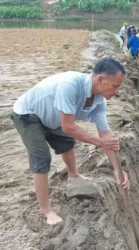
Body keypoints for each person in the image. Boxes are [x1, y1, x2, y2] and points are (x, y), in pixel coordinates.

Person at [11, 58, 130, 225]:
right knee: (42, 159)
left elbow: (106, 136)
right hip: (28, 115)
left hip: (53, 116)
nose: (118, 91)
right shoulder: (70, 85)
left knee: (67, 144)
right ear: (100, 79)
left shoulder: (99, 102)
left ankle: (74, 175)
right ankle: (46, 210)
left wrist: (117, 170)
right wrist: (99, 142)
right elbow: (68, 126)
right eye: (115, 86)